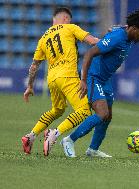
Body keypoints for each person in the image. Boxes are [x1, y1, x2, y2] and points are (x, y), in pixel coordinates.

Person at [58, 8, 139, 158]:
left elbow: (120, 27)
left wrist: (115, 28)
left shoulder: (127, 34)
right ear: (134, 29)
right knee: (101, 113)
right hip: (94, 77)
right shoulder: (118, 38)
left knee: (107, 116)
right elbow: (90, 53)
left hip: (105, 79)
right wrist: (83, 80)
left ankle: (92, 150)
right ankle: (69, 140)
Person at [21, 7, 100, 156]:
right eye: (69, 19)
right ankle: (54, 133)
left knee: (57, 110)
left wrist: (30, 86)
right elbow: (92, 41)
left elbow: (34, 66)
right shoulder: (70, 27)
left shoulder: (43, 38)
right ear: (65, 18)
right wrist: (110, 41)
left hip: (52, 79)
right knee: (84, 110)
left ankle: (30, 136)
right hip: (68, 76)